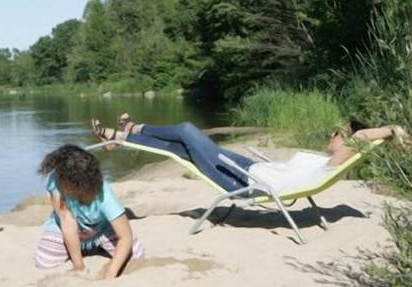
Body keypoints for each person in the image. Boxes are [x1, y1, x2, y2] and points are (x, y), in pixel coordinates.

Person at [91, 115, 408, 195]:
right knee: (179, 148)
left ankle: (128, 131)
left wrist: (393, 129)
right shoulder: (325, 162)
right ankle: (121, 136)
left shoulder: (333, 162)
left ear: (346, 141)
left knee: (186, 131)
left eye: (336, 133)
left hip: (243, 182)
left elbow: (362, 137)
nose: (331, 136)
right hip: (251, 169)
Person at [33, 144, 145, 279]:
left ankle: (95, 247)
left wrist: (111, 273)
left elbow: (125, 236)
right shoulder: (55, 182)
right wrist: (78, 265)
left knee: (136, 254)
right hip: (66, 229)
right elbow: (67, 223)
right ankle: (80, 250)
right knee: (44, 261)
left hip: (102, 230)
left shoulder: (104, 194)